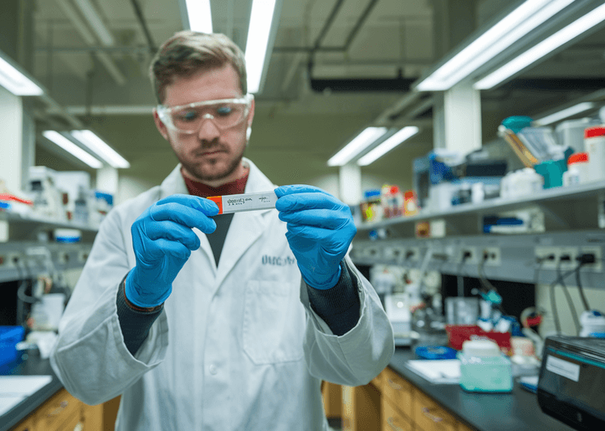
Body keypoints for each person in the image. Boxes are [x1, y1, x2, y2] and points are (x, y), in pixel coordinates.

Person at [51, 31, 394, 431]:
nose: (209, 133)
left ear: (249, 113)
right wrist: (136, 300)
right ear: (162, 123)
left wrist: (332, 288)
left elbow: (360, 367)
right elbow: (82, 380)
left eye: (225, 110)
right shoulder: (125, 223)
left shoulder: (304, 225)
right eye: (188, 116)